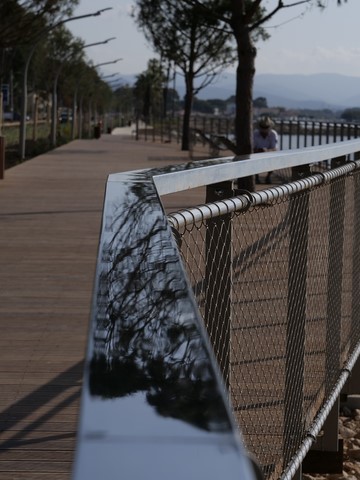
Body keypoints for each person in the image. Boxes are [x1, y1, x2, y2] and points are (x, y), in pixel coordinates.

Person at [253, 116, 278, 184]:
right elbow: (252, 148)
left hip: (269, 154)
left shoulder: (273, 134)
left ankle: (268, 176)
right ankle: (256, 176)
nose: (264, 130)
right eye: (263, 127)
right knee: (253, 158)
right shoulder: (255, 134)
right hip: (256, 154)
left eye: (266, 127)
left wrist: (266, 151)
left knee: (275, 158)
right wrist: (259, 150)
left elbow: (274, 148)